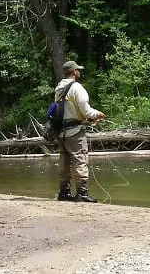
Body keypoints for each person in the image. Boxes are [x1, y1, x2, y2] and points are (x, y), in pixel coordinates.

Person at [54, 61, 105, 202]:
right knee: (80, 160)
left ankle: (64, 193)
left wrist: (88, 119)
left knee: (64, 163)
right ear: (73, 72)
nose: (79, 72)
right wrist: (97, 114)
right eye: (78, 70)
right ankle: (82, 193)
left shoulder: (59, 88)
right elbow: (85, 110)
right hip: (74, 132)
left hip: (61, 132)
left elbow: (69, 112)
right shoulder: (76, 87)